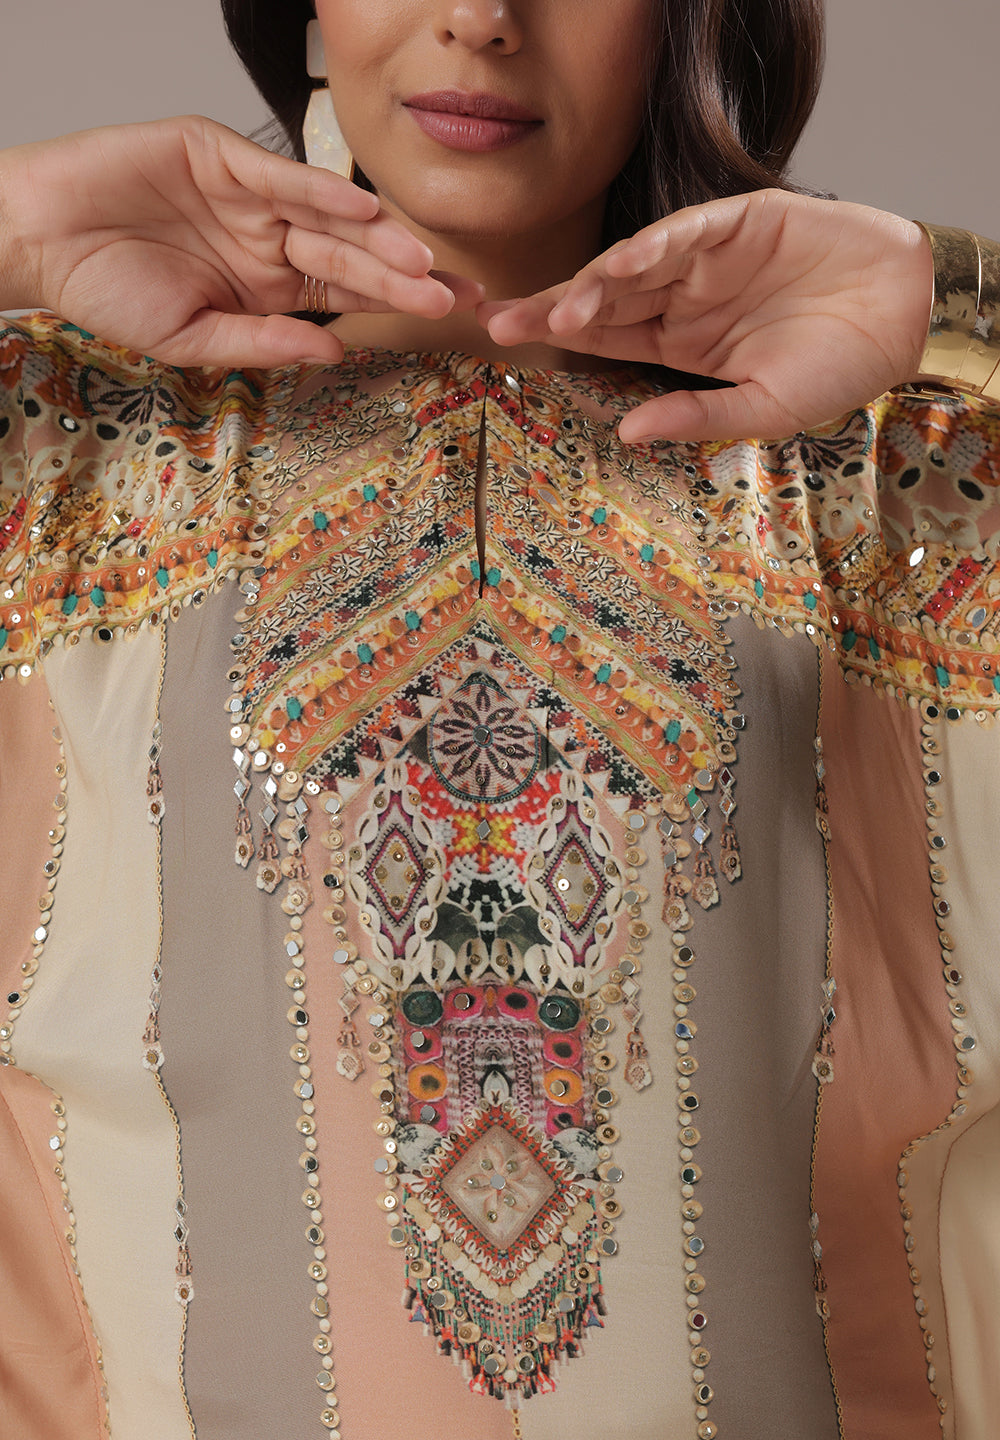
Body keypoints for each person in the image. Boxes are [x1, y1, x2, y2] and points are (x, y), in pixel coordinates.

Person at [1, 2, 998, 1438]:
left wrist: (944, 294)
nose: (480, 16)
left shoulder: (867, 471)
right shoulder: (65, 450)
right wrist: (17, 229)